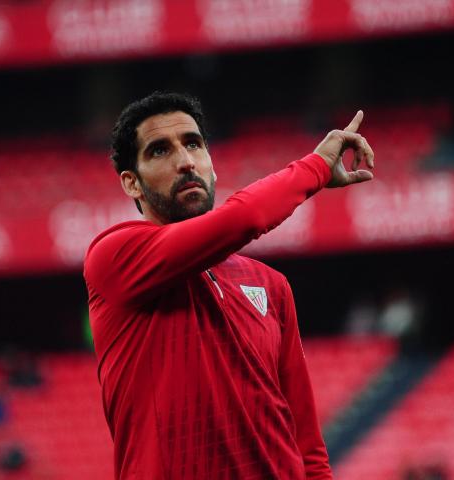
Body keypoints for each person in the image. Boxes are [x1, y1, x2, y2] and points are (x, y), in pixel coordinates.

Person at [83, 92, 374, 479]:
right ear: (131, 184)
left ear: (212, 166)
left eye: (193, 144)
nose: (185, 162)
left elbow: (307, 442)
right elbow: (246, 217)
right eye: (159, 151)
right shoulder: (113, 257)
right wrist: (317, 166)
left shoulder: (271, 286)